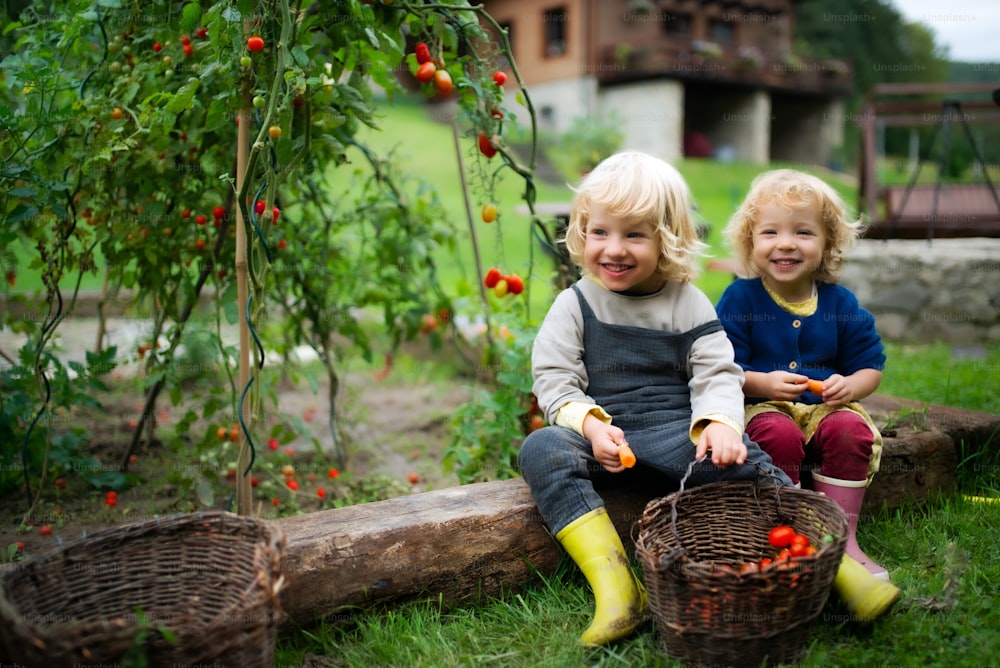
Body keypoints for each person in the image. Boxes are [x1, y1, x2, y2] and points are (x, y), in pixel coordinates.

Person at [517, 151, 794, 646]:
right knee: (541, 448)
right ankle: (618, 588)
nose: (614, 249)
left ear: (666, 238)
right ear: (582, 233)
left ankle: (821, 553)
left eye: (634, 235)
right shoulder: (575, 303)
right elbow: (555, 382)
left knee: (737, 458)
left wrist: (720, 425)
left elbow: (717, 372)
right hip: (605, 437)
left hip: (673, 431)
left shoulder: (686, 301)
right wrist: (591, 426)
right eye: (600, 232)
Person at [716, 168, 890, 581]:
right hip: (765, 407)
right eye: (770, 232)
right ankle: (786, 531)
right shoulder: (741, 298)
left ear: (828, 242)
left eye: (804, 233)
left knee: (851, 430)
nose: (786, 244)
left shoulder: (839, 302)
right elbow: (722, 366)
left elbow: (870, 365)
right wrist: (761, 382)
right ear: (750, 241)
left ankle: (842, 538)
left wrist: (850, 385)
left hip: (826, 411)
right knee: (776, 434)